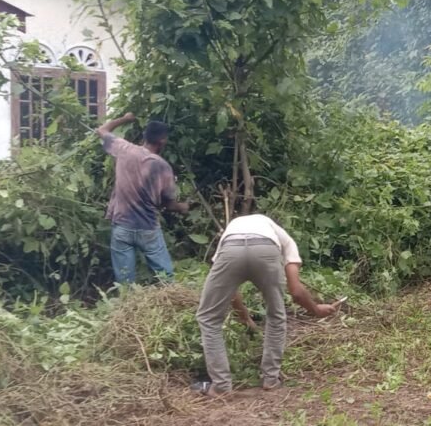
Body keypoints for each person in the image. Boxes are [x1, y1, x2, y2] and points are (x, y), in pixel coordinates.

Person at [193, 213, 339, 397]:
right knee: (276, 316)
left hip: (230, 248)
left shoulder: (235, 228)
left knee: (209, 317)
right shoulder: (287, 242)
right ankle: (270, 380)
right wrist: (316, 310)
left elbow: (230, 292)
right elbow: (296, 291)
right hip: (266, 251)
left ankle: (221, 386)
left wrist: (245, 318)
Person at [96, 113, 188, 284]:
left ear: (145, 136)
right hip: (148, 228)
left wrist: (125, 118)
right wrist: (184, 207)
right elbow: (169, 204)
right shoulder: (163, 167)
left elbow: (102, 129)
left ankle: (126, 305)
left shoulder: (124, 149)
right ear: (162, 140)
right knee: (166, 279)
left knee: (124, 282)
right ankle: (171, 301)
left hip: (122, 225)